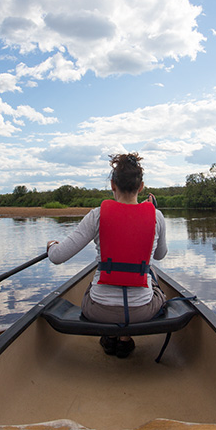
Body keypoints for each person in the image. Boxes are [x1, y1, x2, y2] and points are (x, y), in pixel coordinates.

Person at [46, 153, 167, 358]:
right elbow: (160, 255)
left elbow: (57, 257)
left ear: (112, 185)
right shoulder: (156, 216)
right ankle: (125, 340)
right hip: (143, 311)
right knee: (152, 274)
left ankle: (111, 337)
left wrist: (51, 246)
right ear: (141, 186)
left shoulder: (96, 215)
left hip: (99, 310)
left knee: (95, 277)